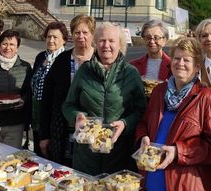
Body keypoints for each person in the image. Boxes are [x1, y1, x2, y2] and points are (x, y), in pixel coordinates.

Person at [135, 37, 211, 191]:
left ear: (197, 66)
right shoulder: (159, 91)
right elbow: (144, 122)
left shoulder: (207, 97)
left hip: (186, 184)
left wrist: (178, 152)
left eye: (186, 60)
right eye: (177, 58)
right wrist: (143, 137)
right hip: (150, 180)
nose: (180, 63)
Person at [62, 22, 147, 175]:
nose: (106, 45)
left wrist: (125, 123)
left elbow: (141, 110)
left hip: (119, 155)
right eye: (101, 40)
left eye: (111, 41)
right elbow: (68, 105)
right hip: (85, 155)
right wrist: (77, 117)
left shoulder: (131, 73)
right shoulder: (84, 71)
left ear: (120, 44)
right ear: (95, 43)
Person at [40, 14, 96, 166]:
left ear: (92, 35)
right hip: (61, 130)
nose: (81, 36)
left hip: (91, 130)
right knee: (63, 173)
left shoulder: (100, 60)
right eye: (77, 32)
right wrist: (44, 135)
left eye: (85, 32)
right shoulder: (62, 60)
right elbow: (47, 99)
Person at [30, 21, 69, 156]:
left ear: (64, 40)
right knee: (37, 155)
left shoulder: (66, 59)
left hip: (55, 115)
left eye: (55, 37)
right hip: (37, 114)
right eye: (48, 37)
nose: (51, 40)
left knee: (52, 155)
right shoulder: (41, 57)